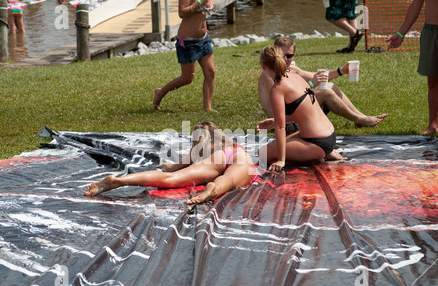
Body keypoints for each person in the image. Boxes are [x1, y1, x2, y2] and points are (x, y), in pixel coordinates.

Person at [84, 122, 258, 204]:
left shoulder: (201, 153)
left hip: (217, 162)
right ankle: (216, 188)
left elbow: (172, 169)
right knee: (230, 180)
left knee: (170, 179)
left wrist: (167, 167)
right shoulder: (232, 146)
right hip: (238, 159)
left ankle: (120, 181)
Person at [257, 36, 388, 132]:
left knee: (330, 86)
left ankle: (361, 117)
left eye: (289, 55)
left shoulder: (291, 70)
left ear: (294, 55)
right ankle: (360, 120)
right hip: (284, 123)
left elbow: (316, 76)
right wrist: (312, 85)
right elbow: (288, 100)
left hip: (295, 114)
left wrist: (341, 71)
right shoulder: (268, 74)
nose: (285, 59)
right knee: (325, 92)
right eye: (282, 56)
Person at [258, 45, 345, 172]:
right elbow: (303, 112)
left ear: (263, 66)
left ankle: (318, 154)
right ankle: (324, 152)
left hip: (317, 143)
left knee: (262, 153)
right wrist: (273, 121)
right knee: (281, 144)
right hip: (329, 134)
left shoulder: (277, 89)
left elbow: (280, 128)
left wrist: (281, 160)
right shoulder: (295, 76)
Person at [153, 0, 216, 112]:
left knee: (211, 72)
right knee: (186, 78)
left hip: (204, 39)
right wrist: (200, 2)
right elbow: (182, 13)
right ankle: (160, 92)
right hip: (188, 42)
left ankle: (207, 107)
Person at [386, 0, 438, 135]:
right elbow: (416, 4)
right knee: (433, 82)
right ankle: (433, 124)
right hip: (431, 32)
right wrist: (401, 33)